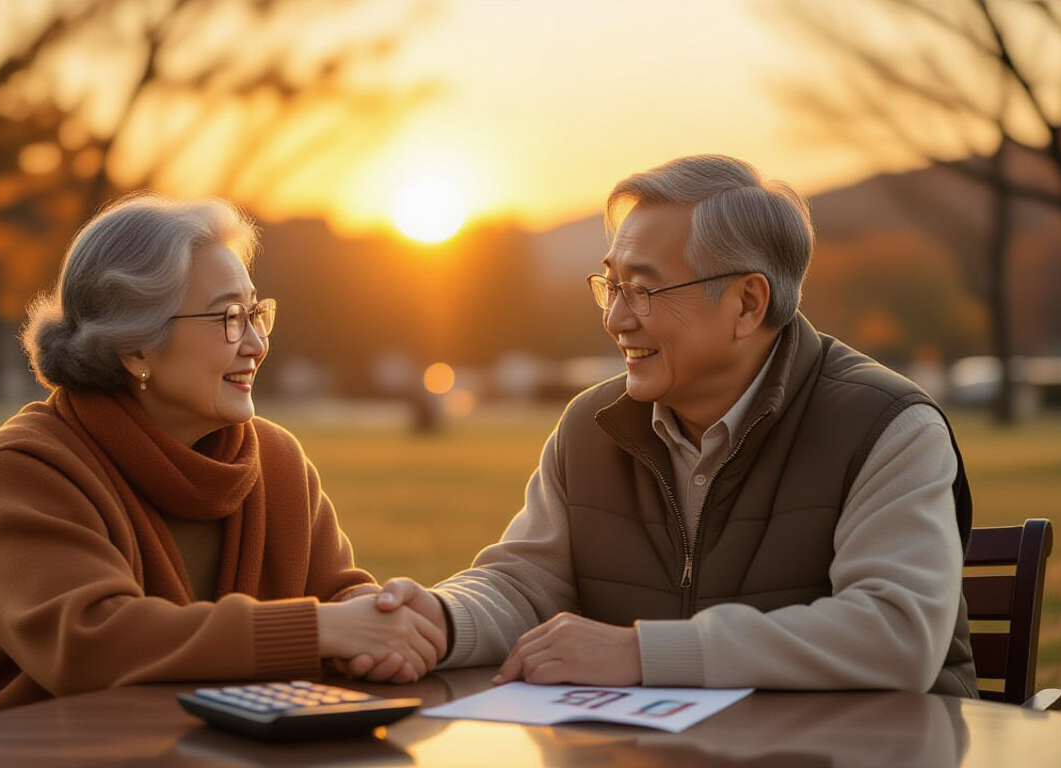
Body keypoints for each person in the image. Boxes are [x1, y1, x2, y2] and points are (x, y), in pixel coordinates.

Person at [353, 154, 977, 696]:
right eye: (611, 286)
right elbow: (525, 583)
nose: (616, 319)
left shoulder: (887, 427)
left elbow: (896, 634)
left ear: (747, 303)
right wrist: (440, 617)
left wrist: (643, 654)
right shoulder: (590, 429)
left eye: (643, 290)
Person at [0, 192, 443, 740]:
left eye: (256, 312)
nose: (255, 343)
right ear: (135, 346)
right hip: (24, 752)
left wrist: (375, 614)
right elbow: (90, 644)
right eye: (229, 317)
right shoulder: (29, 465)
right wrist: (319, 629)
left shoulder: (277, 461)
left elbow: (336, 594)